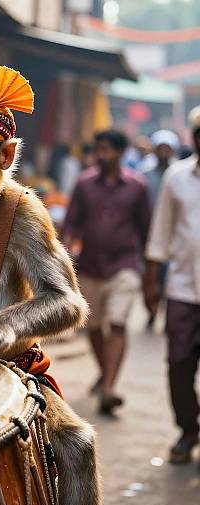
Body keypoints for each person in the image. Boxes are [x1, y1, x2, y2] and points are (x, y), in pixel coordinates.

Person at [62, 129, 152, 415]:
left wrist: (150, 276)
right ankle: (105, 372)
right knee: (94, 327)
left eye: (108, 149)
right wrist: (63, 261)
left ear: (121, 153)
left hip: (124, 266)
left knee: (117, 323)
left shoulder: (137, 187)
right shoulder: (84, 185)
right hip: (89, 266)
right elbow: (71, 225)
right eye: (99, 149)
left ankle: (110, 387)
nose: (102, 154)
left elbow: (146, 231)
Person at [144, 106, 200, 465]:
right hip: (182, 289)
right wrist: (151, 281)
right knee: (179, 363)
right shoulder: (177, 177)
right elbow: (161, 232)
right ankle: (187, 429)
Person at [143, 130, 179, 329]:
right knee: (150, 275)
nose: (164, 152)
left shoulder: (178, 173)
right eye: (160, 148)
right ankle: (151, 308)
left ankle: (166, 312)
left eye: (168, 148)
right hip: (149, 233)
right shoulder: (145, 173)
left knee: (168, 277)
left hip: (174, 235)